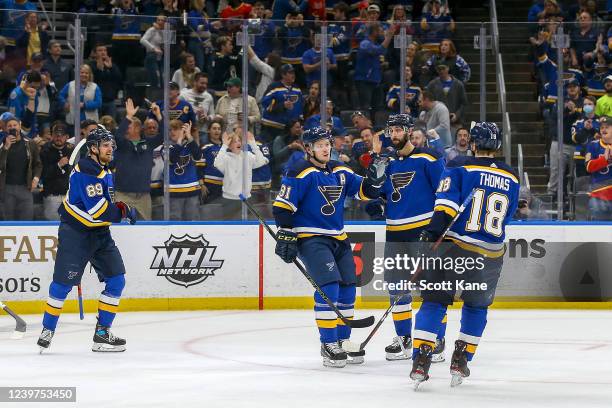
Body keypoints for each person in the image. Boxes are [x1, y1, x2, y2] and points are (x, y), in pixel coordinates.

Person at [410, 122, 519, 387]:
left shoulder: (459, 166)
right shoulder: (512, 176)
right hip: (490, 253)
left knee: (435, 302)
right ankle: (462, 358)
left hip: (454, 246)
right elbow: (510, 213)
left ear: (472, 143)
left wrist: (431, 234)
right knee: (476, 305)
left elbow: (445, 207)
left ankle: (421, 359)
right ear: (497, 145)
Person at [272, 126, 388, 367]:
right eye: (320, 145)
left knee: (347, 288)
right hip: (312, 239)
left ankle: (342, 341)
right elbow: (282, 207)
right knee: (329, 288)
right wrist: (286, 233)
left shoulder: (340, 170)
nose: (325, 148)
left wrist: (376, 168)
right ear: (308, 148)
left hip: (339, 237)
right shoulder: (300, 172)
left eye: (327, 144)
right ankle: (328, 344)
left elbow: (365, 191)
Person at [37, 126, 137, 353]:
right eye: (105, 145)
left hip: (100, 234)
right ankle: (47, 329)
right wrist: (123, 211)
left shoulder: (104, 168)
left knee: (117, 280)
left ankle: (102, 334)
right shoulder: (86, 170)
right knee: (62, 286)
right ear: (93, 148)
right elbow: (98, 210)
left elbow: (104, 208)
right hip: (76, 234)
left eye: (111, 145)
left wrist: (119, 207)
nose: (110, 148)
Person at [373, 114, 447, 363]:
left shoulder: (429, 158)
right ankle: (404, 339)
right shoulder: (388, 163)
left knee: (432, 289)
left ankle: (435, 339)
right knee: (396, 289)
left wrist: (438, 229)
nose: (393, 135)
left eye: (398, 130)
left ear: (408, 131)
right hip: (395, 232)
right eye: (390, 130)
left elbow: (444, 194)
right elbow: (377, 194)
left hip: (423, 232)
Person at [114, 99, 163, 220]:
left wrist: (158, 115)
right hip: (123, 195)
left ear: (137, 128)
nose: (126, 128)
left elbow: (164, 135)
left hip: (143, 196)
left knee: (146, 228)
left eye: (129, 126)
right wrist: (128, 116)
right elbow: (117, 136)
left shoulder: (148, 143)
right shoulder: (122, 145)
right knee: (120, 227)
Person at [213, 126, 269, 218]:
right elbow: (216, 163)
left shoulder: (248, 156)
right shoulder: (226, 157)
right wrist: (224, 145)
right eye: (235, 141)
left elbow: (261, 161)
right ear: (230, 145)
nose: (238, 143)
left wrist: (253, 144)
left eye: (239, 140)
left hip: (246, 199)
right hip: (229, 200)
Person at [0, 115, 41, 220]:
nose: (12, 127)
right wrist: (5, 148)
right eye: (9, 126)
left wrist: (35, 179)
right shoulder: (2, 145)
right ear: (5, 129)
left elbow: (38, 164)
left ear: (20, 126)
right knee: (8, 221)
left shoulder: (30, 143)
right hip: (7, 189)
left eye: (15, 125)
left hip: (25, 188)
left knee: (27, 220)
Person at [168, 120, 202, 220]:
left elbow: (198, 156)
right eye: (170, 130)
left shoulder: (190, 145)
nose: (172, 132)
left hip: (192, 190)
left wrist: (189, 136)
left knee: (193, 222)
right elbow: (172, 159)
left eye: (175, 129)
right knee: (175, 222)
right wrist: (179, 142)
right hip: (174, 191)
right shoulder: (166, 146)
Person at [261, 64, 304, 142]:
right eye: (290, 73)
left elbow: (300, 108)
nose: (293, 75)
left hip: (288, 129)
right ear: (283, 75)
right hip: (271, 127)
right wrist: (282, 106)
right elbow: (265, 103)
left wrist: (299, 122)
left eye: (293, 73)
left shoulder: (297, 89)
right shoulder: (274, 87)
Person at [39, 121, 72, 220]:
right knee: (52, 227)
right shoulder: (45, 151)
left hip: (69, 196)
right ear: (52, 135)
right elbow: (43, 174)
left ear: (67, 136)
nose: (58, 138)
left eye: (61, 135)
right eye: (56, 135)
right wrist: (58, 165)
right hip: (52, 195)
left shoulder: (71, 150)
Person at [426, 63, 469, 132]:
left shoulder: (458, 84)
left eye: (443, 68)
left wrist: (456, 115)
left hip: (455, 123)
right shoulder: (432, 85)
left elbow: (464, 103)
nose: (441, 71)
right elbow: (427, 102)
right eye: (439, 69)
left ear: (448, 68)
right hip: (437, 123)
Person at [58, 64, 102, 129]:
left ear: (90, 75)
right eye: (82, 72)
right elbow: (60, 96)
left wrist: (85, 105)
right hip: (73, 120)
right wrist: (64, 103)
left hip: (90, 122)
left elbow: (98, 103)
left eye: (86, 73)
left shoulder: (95, 87)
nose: (84, 75)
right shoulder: (70, 85)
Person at [585, 115, 612, 220]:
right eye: (602, 127)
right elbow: (588, 167)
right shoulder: (593, 145)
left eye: (607, 127)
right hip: (599, 196)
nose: (604, 129)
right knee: (598, 234)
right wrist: (604, 160)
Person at [90, 44, 122, 121]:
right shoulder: (91, 65)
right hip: (96, 101)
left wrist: (111, 68)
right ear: (94, 53)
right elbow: (93, 80)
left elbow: (119, 79)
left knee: (110, 124)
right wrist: (99, 69)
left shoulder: (112, 66)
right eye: (100, 50)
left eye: (105, 50)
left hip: (110, 101)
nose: (103, 52)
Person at [180, 72, 215, 143]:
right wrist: (191, 114)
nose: (204, 86)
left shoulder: (208, 97)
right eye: (202, 83)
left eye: (206, 83)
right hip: (188, 131)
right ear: (195, 82)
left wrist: (207, 117)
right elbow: (178, 113)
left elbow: (213, 115)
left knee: (203, 153)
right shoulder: (184, 95)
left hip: (203, 131)